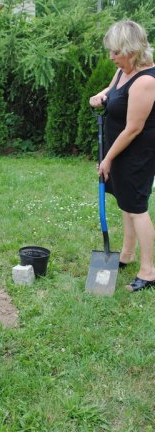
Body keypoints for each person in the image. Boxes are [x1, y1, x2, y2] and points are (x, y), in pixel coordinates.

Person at [90, 20, 155, 292]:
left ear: (131, 50)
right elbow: (110, 92)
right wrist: (99, 96)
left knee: (137, 208)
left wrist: (108, 159)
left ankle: (149, 271)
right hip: (118, 150)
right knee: (125, 205)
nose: (111, 57)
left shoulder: (145, 81)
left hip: (135, 153)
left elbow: (133, 129)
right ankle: (126, 255)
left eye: (116, 51)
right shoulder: (123, 72)